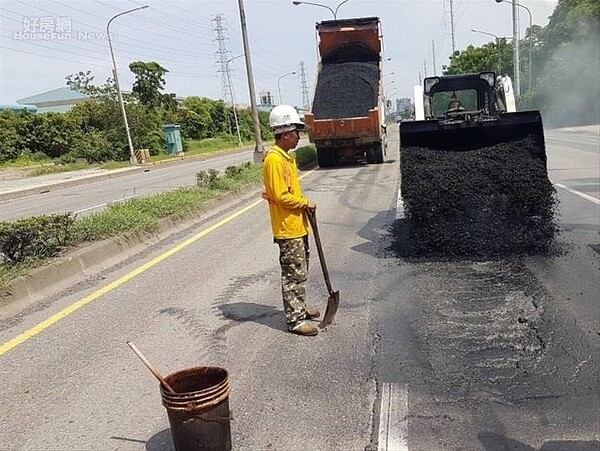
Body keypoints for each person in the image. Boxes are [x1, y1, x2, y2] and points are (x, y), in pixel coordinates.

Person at [262, 104, 320, 337]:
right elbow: (281, 196)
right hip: (288, 229)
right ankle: (295, 320)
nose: (299, 137)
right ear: (285, 133)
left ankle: (300, 307)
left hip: (297, 225)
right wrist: (305, 202)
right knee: (293, 273)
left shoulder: (286, 158)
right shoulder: (274, 160)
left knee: (301, 271)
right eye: (296, 133)